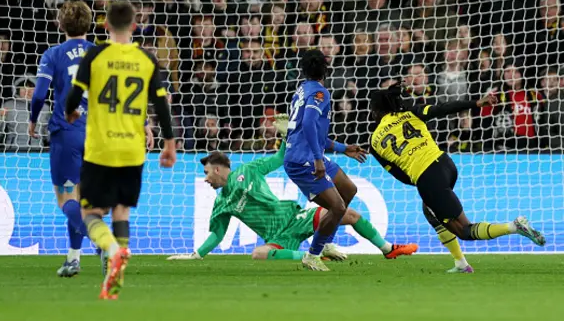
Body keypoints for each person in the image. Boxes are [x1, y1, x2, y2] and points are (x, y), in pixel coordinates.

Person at [168, 115, 418, 261]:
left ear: (219, 168)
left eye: (207, 172)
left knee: (348, 213)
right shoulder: (222, 204)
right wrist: (196, 255)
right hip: (278, 237)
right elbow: (217, 235)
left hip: (293, 216)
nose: (206, 179)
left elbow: (278, 160)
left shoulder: (249, 170)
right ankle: (313, 256)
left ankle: (388, 249)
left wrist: (286, 137)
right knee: (258, 254)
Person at [368, 84, 546, 273]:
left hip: (427, 177)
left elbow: (399, 175)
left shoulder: (375, 142)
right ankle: (460, 263)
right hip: (446, 164)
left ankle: (513, 226)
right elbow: (444, 108)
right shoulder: (412, 113)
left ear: (376, 111)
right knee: (430, 211)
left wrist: (423, 182)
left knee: (464, 230)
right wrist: (477, 102)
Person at [65, 1, 176, 300]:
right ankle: (118, 270)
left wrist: (71, 112)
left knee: (89, 212)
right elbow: (162, 106)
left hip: (100, 149)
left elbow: (73, 96)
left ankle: (113, 251)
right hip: (132, 150)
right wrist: (169, 143)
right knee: (121, 210)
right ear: (135, 26)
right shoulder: (146, 59)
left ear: (105, 26)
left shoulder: (96, 54)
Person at [283, 49, 368, 271]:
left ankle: (326, 241)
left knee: (348, 189)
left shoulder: (301, 90)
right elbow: (310, 124)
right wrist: (319, 160)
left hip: (306, 154)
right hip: (304, 160)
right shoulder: (320, 93)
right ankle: (313, 254)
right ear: (326, 70)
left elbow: (314, 133)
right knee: (338, 207)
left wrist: (342, 148)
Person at [29, 1, 95, 277]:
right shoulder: (100, 53)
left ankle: (103, 243)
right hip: (98, 134)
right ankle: (73, 258)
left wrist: (33, 120)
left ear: (60, 24)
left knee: (66, 199)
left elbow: (38, 94)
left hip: (66, 133)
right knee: (83, 201)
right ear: (89, 24)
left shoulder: (53, 54)